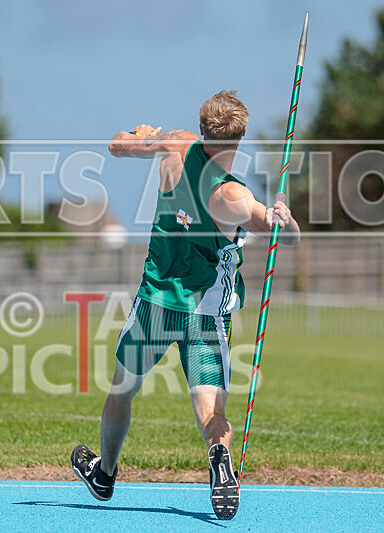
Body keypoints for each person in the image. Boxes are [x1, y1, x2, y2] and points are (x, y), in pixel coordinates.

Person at [70, 90, 300, 520]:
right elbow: (282, 235)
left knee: (123, 390)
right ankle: (218, 459)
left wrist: (141, 135)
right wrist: (283, 220)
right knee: (211, 409)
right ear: (243, 133)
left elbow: (117, 144)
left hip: (155, 303)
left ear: (200, 125)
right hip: (205, 314)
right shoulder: (232, 196)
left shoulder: (175, 144)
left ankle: (105, 473)